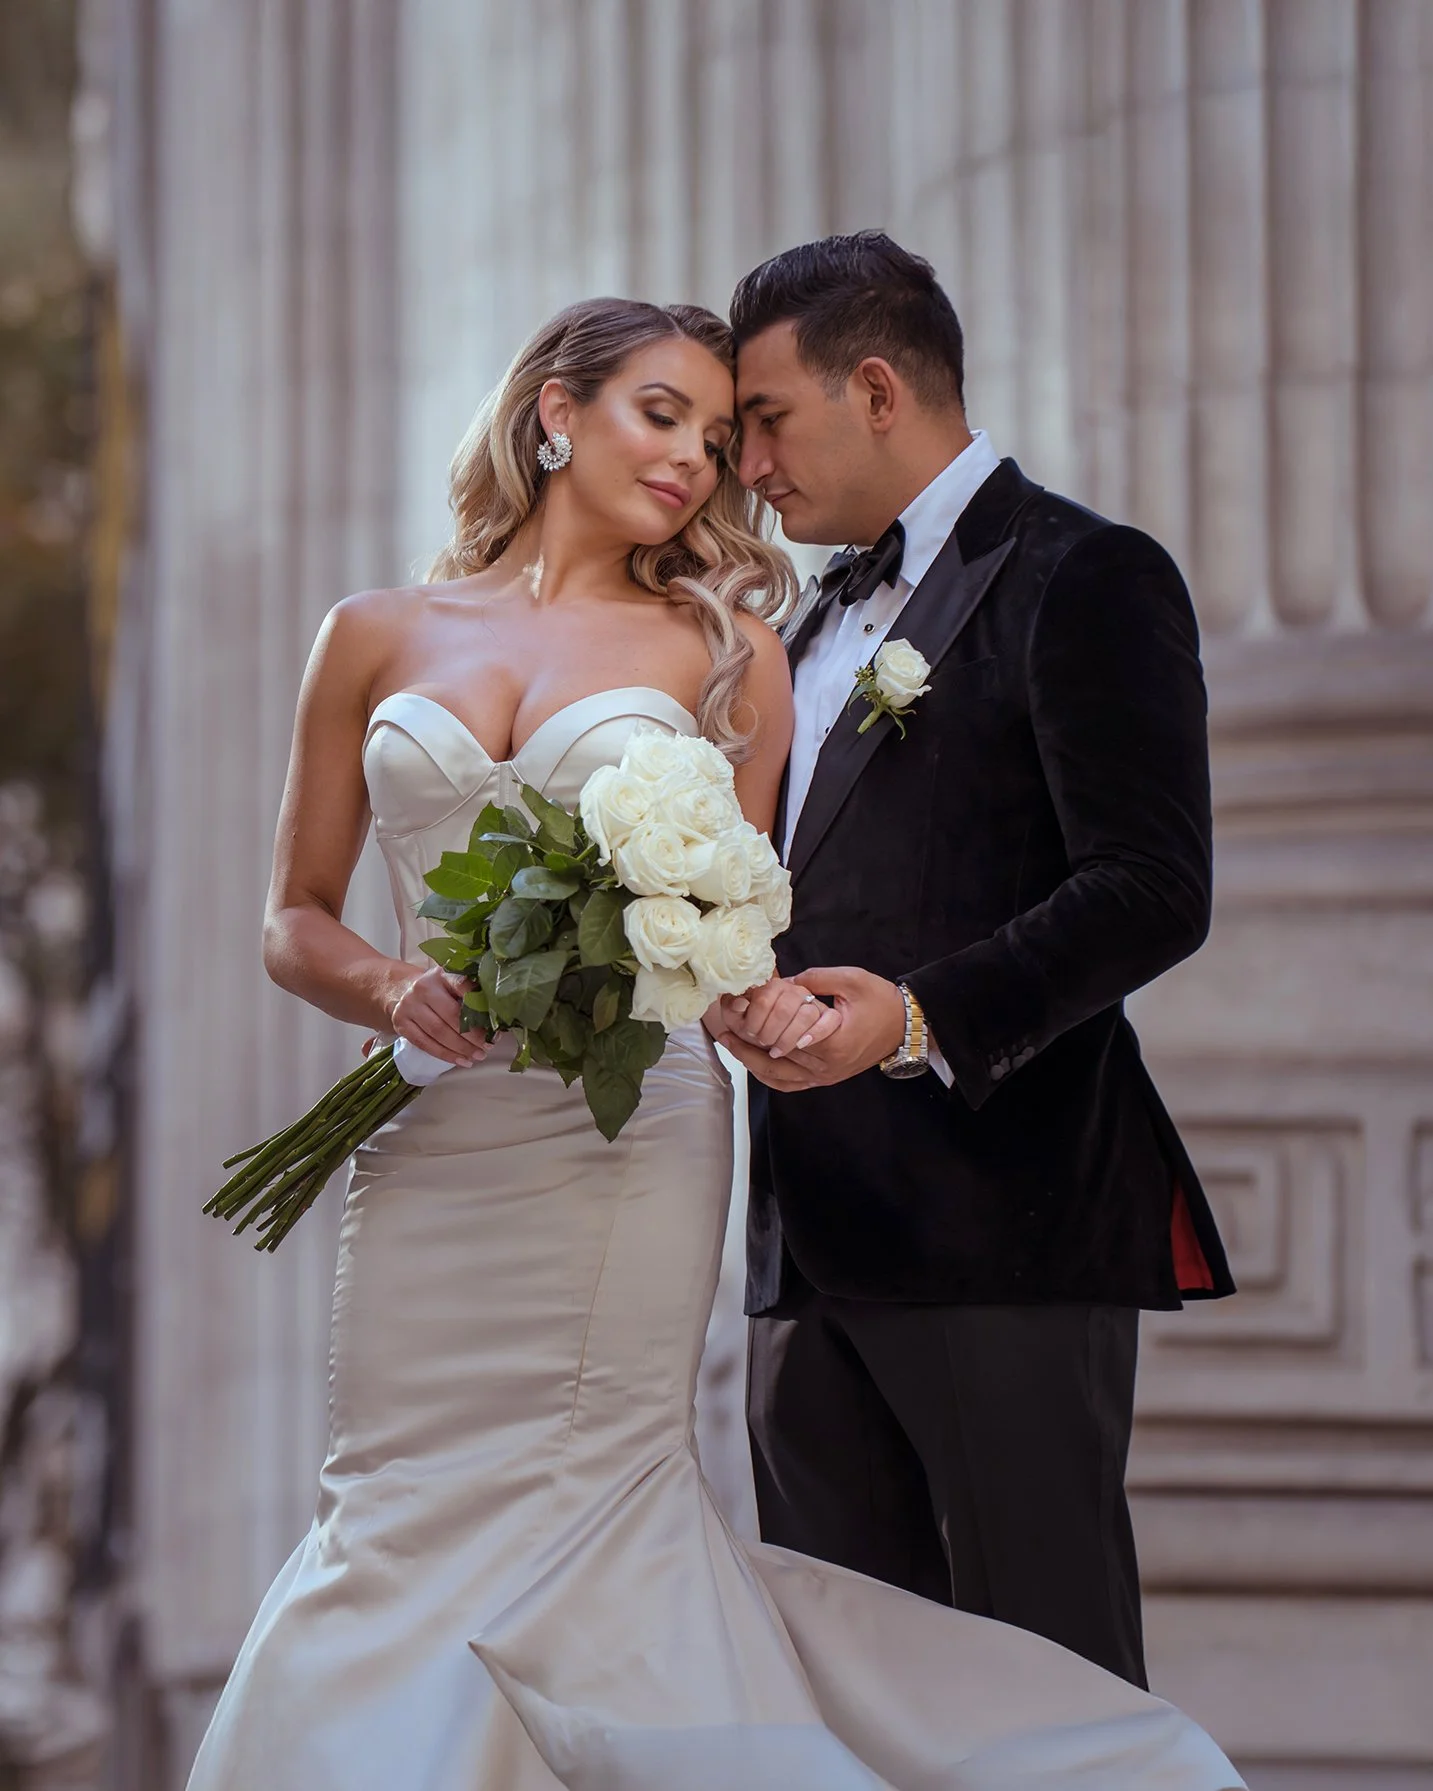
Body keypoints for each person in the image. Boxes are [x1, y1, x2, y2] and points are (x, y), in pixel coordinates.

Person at [187, 296, 1244, 1789]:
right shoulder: (370, 634)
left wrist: (803, 1006)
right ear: (557, 410)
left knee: (607, 1509)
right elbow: (293, 911)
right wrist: (388, 991)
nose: (706, 462)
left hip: (633, 1146)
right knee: (393, 1504)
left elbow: (750, 917)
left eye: (729, 430)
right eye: (666, 415)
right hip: (432, 1138)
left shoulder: (733, 646)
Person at [715, 232, 1237, 1691]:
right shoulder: (802, 622)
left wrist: (920, 1014)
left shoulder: (1088, 575)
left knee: (1049, 1707)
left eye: (765, 419)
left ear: (875, 388)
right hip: (802, 1253)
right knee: (838, 1708)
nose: (745, 463)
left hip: (1004, 1232)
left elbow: (1152, 888)